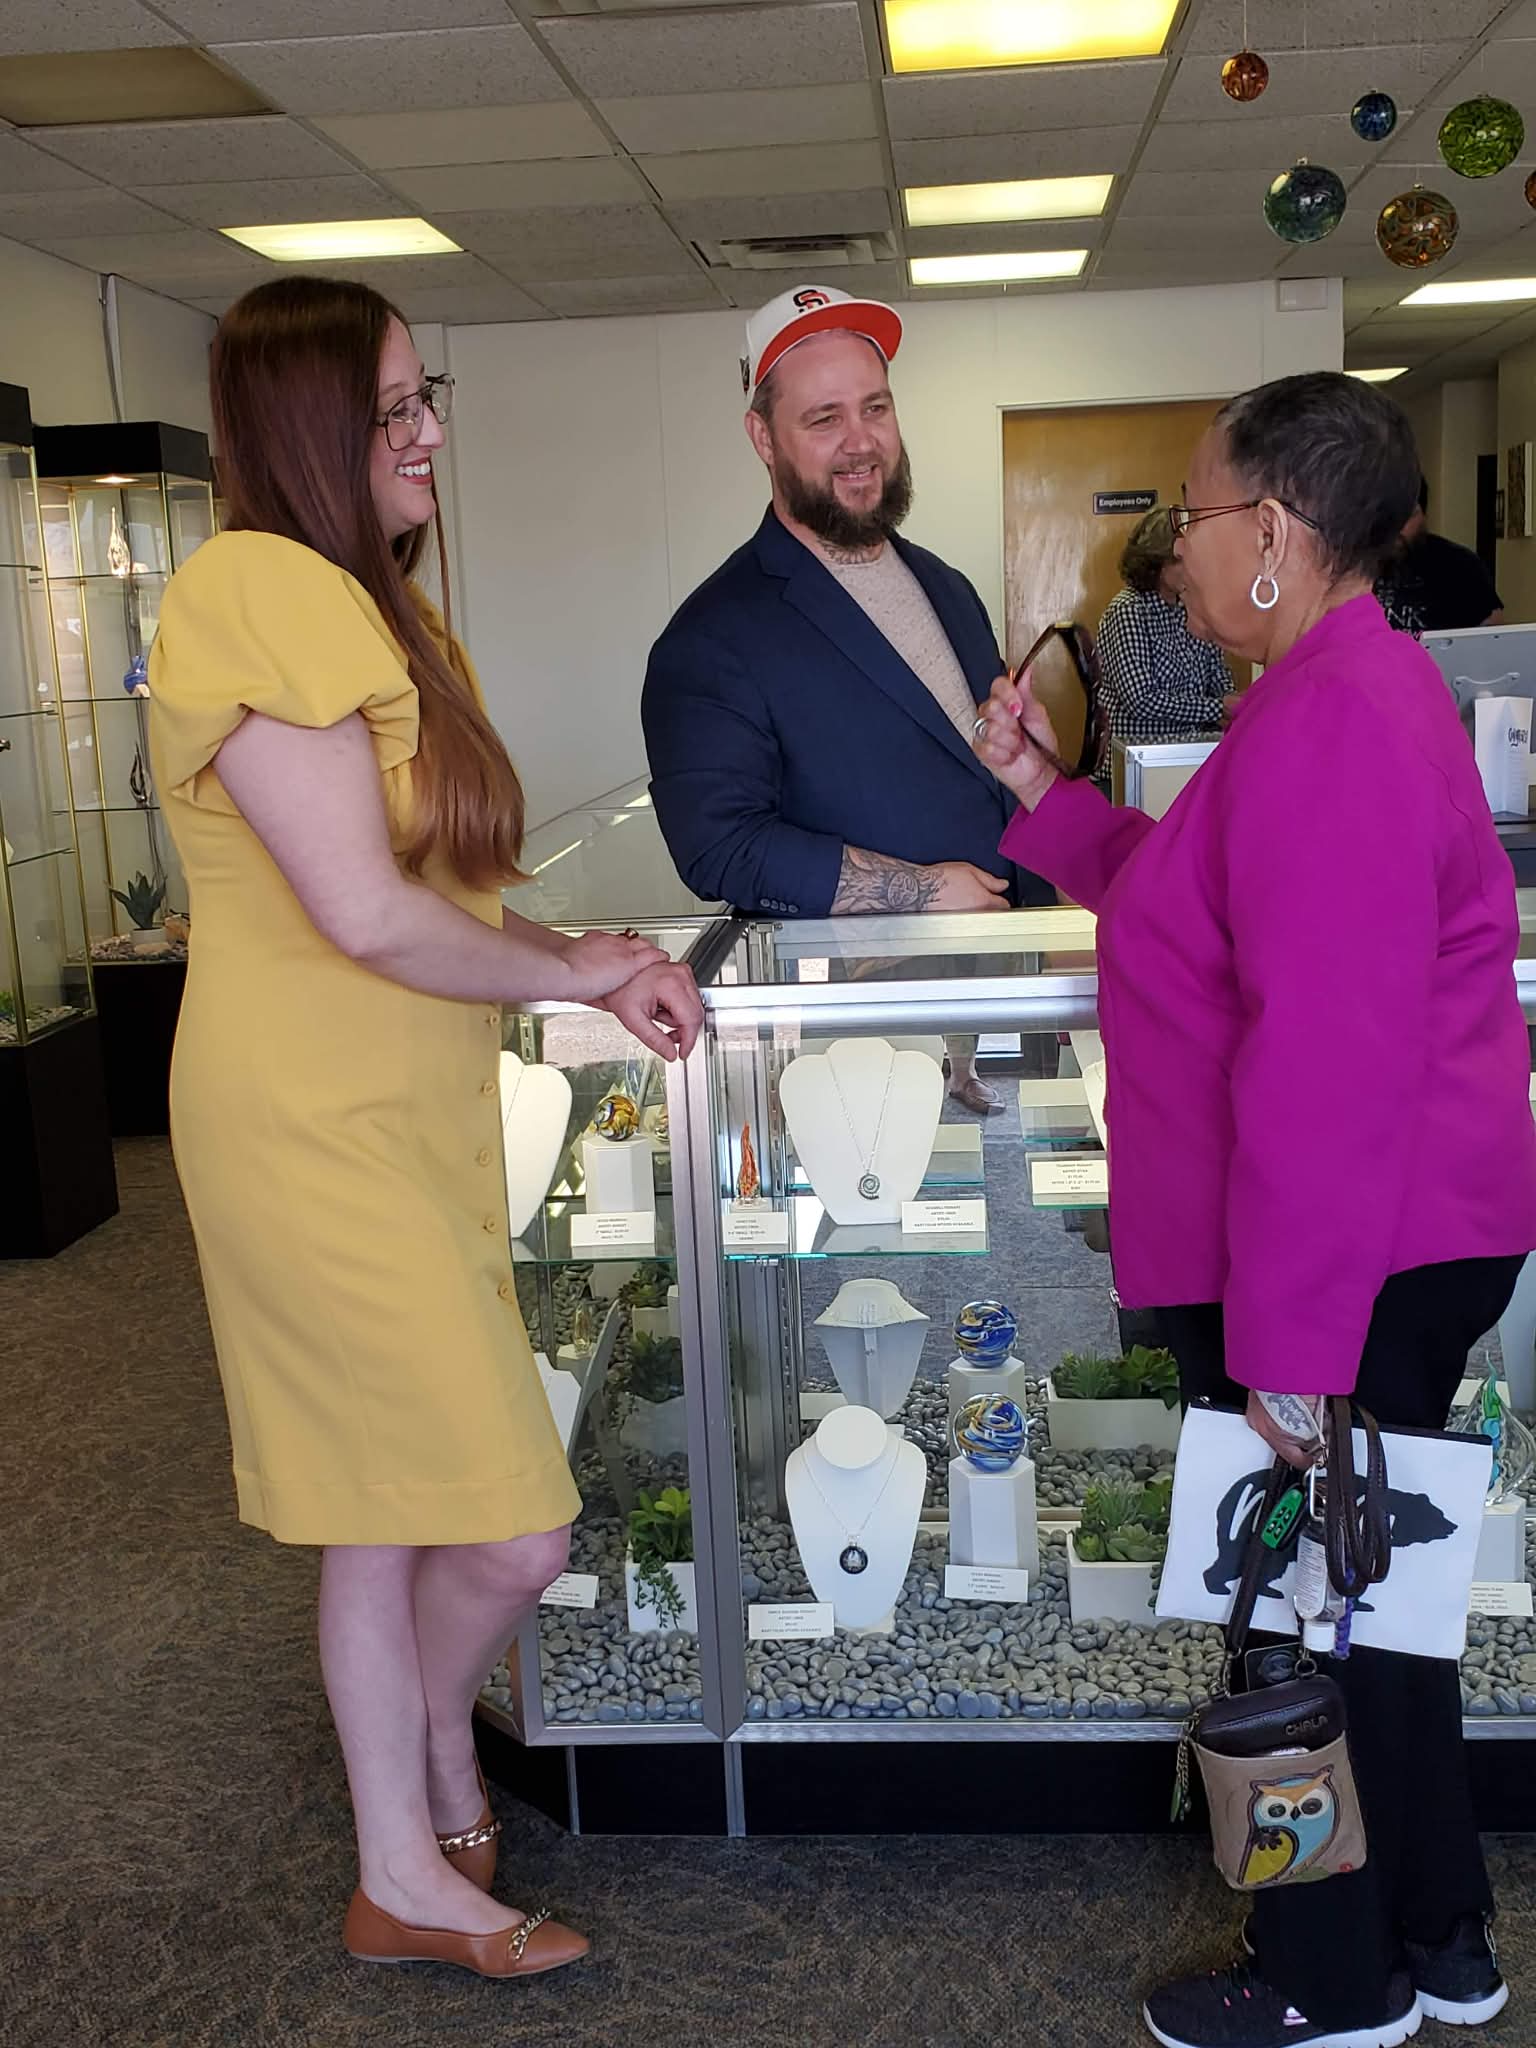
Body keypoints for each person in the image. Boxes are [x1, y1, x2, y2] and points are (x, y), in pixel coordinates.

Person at [148, 277, 702, 1981]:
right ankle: (440, 1773)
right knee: (506, 1522)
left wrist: (583, 954)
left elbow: (440, 881)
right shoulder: (251, 589)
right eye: (394, 410)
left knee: (378, 1508)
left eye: (424, 397)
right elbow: (366, 916)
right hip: (309, 1124)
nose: (430, 435)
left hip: (412, 1107)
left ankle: (404, 1860)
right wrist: (566, 974)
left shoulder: (379, 611)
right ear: (310, 428)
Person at [974, 371, 1536, 2048]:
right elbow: (1192, 893)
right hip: (1386, 1245)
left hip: (1345, 1265)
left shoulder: (1338, 716)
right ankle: (1438, 1942)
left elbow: (1325, 1066)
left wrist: (1292, 1354)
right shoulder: (1328, 692)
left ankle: (1330, 1979)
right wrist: (1038, 789)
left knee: (1313, 1619)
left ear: (1276, 532)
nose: (1170, 553)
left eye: (1192, 516)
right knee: (1381, 1614)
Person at [641, 283, 1051, 1114]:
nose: (862, 442)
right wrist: (924, 890)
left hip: (996, 1001)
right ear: (763, 435)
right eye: (823, 418)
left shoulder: (946, 584)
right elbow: (719, 845)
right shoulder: (712, 635)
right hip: (844, 1036)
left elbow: (977, 770)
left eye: (876, 408)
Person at [1095, 506, 1230, 770]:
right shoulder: (1128, 610)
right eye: (1182, 560)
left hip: (1190, 761)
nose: (1192, 570)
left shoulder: (1193, 607)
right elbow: (1141, 700)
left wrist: (1232, 702)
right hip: (1134, 768)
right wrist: (1217, 708)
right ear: (1157, 561)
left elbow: (1219, 677)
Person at [1376, 475, 1502, 635]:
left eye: (1406, 516)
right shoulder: (1350, 564)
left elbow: (1494, 636)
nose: (1396, 527)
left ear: (1422, 514)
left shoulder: (1460, 564)